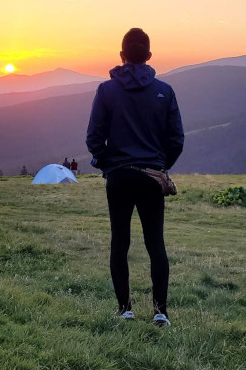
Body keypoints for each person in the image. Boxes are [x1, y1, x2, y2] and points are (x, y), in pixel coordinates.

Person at [86, 28, 184, 328]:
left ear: (121, 55)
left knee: (120, 242)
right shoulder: (164, 91)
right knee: (156, 244)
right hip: (152, 176)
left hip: (119, 176)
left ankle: (125, 309)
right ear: (150, 56)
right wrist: (159, 166)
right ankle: (160, 312)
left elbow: (94, 137)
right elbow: (176, 139)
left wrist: (108, 165)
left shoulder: (106, 90)